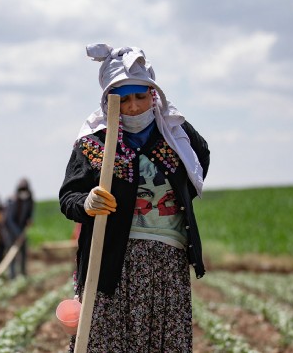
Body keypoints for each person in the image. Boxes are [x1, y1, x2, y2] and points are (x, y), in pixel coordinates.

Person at [59, 44, 210, 352]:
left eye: (141, 96)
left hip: (167, 262)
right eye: (123, 99)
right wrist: (87, 202)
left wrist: (171, 122)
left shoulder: (174, 134)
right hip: (112, 261)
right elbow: (68, 196)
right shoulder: (94, 143)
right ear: (108, 102)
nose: (132, 106)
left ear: (153, 95)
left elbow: (199, 162)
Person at [3, 178, 34, 279]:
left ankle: (23, 273)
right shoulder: (14, 201)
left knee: (23, 252)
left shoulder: (29, 200)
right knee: (12, 253)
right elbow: (9, 220)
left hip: (22, 229)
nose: (23, 192)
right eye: (21, 190)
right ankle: (12, 276)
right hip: (11, 230)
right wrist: (17, 233)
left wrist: (29, 220)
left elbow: (29, 214)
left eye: (25, 189)